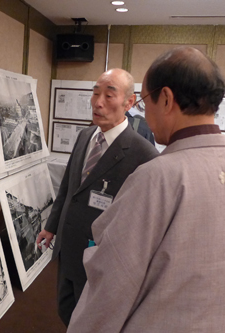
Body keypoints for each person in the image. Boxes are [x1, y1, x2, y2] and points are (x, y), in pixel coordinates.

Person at [67, 47, 225, 332]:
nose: (144, 111)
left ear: (165, 98)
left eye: (145, 100)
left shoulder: (157, 177)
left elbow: (112, 282)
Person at [36, 68, 159, 326]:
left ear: (129, 102)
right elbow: (68, 188)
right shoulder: (84, 136)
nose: (98, 102)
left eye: (108, 95)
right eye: (95, 93)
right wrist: (51, 226)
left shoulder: (143, 154)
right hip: (68, 247)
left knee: (92, 320)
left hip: (102, 257)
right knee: (66, 309)